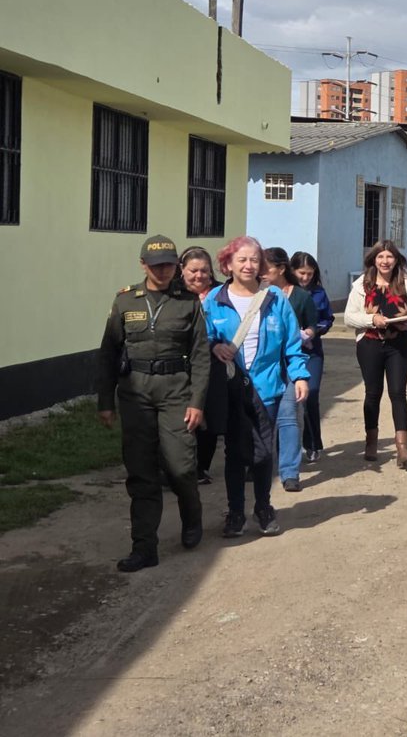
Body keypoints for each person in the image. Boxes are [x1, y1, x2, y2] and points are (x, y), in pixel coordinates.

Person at [96, 235, 210, 572]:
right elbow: (108, 353)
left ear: (176, 266)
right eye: (156, 265)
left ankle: (192, 517)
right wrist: (105, 401)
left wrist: (197, 401)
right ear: (143, 265)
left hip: (176, 392)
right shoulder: (125, 301)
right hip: (136, 394)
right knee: (141, 471)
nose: (163, 271)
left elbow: (201, 357)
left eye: (169, 265)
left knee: (181, 467)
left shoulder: (188, 303)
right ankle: (144, 547)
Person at [204, 236, 309, 539]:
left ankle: (263, 507)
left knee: (263, 451)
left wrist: (300, 375)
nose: (248, 265)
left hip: (267, 387)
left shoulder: (274, 298)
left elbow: (292, 342)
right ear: (228, 264)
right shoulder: (214, 300)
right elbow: (204, 338)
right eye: (242, 260)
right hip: (231, 387)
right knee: (235, 453)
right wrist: (214, 347)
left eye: (254, 260)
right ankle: (236, 512)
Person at [344, 240, 407, 466]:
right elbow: (349, 317)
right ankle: (371, 441)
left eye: (389, 257)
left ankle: (402, 447)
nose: (385, 261)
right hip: (369, 344)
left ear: (396, 260)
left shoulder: (406, 283)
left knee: (398, 392)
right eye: (380, 257)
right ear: (374, 260)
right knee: (373, 393)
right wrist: (372, 319)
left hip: (398, 344)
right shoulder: (362, 284)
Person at [262, 247, 319, 492]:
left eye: (265, 267)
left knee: (288, 417)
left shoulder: (295, 297)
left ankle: (289, 472)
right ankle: (257, 463)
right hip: (261, 368)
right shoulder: (253, 295)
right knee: (260, 419)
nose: (260, 272)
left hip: (289, 364)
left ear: (281, 269)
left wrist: (306, 336)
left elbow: (312, 325)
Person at [179, 245, 222, 485]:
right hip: (179, 366)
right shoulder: (174, 295)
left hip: (212, 364)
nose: (199, 276)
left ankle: (200, 467)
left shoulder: (221, 294)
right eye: (193, 271)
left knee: (208, 418)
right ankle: (178, 466)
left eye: (204, 271)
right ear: (182, 270)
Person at [291, 251, 334, 462]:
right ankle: (287, 447)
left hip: (312, 351)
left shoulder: (318, 293)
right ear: (291, 271)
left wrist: (315, 330)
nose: (305, 277)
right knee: (288, 400)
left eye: (310, 273)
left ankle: (313, 443)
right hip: (287, 352)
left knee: (311, 393)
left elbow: (328, 318)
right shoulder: (284, 292)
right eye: (301, 273)